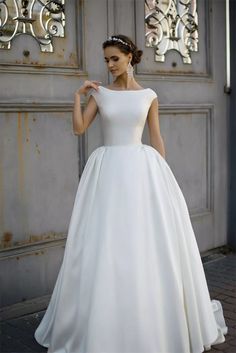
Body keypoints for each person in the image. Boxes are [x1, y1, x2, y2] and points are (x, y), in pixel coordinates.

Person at [34, 34, 228, 353]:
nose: (109, 65)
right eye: (106, 59)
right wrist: (78, 97)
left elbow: (156, 136)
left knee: (144, 243)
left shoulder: (149, 96)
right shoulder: (102, 94)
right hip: (108, 171)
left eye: (115, 59)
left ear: (130, 58)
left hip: (141, 171)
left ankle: (150, 321)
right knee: (107, 244)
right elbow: (80, 128)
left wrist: (163, 178)